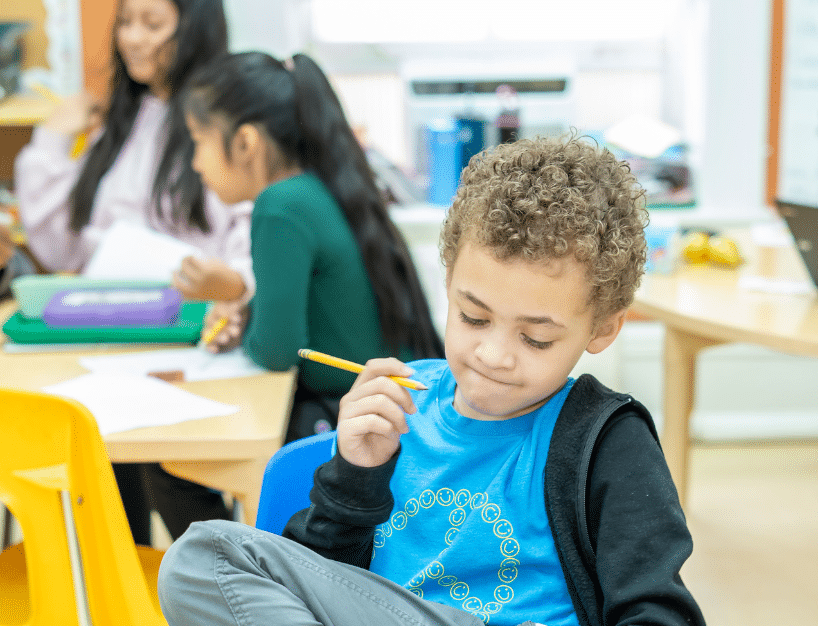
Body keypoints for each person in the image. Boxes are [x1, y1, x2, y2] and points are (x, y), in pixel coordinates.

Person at [156, 135, 706, 626]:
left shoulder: (608, 441)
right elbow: (317, 582)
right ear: (448, 281)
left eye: (536, 338)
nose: (493, 355)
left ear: (603, 327)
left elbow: (660, 613)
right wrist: (355, 476)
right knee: (203, 558)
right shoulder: (402, 402)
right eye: (473, 317)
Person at [12, 0, 253, 546]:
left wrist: (231, 284)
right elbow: (58, 240)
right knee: (99, 464)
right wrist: (52, 138)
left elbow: (246, 234)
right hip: (106, 341)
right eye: (126, 23)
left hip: (190, 345)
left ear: (192, 28)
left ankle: (218, 583)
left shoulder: (221, 121)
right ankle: (123, 591)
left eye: (153, 23)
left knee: (162, 467)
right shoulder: (120, 120)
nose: (134, 39)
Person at [181, 51, 443, 442]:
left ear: (245, 142)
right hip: (401, 404)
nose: (195, 163)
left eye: (199, 141)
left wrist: (251, 327)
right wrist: (248, 319)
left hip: (362, 416)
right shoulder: (317, 188)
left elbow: (276, 350)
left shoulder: (279, 206)